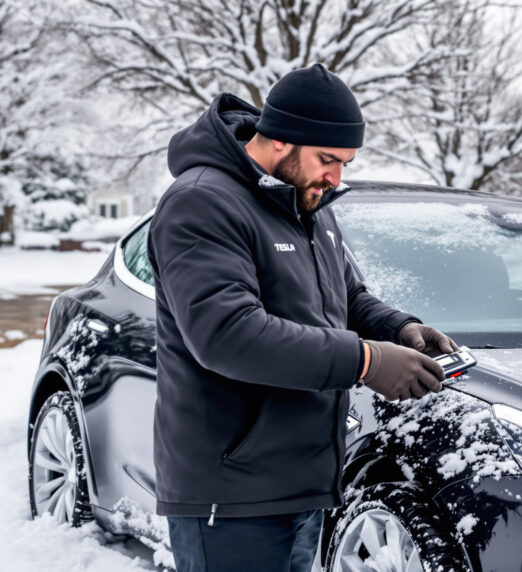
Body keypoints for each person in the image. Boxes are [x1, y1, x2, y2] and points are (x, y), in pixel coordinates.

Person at [147, 63, 458, 571]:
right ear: (279, 142)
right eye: (327, 159)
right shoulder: (201, 203)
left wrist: (397, 327)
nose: (337, 178)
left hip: (301, 482)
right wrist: (367, 361)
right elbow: (228, 334)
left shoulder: (306, 199)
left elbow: (345, 295)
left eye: (345, 161)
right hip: (231, 495)